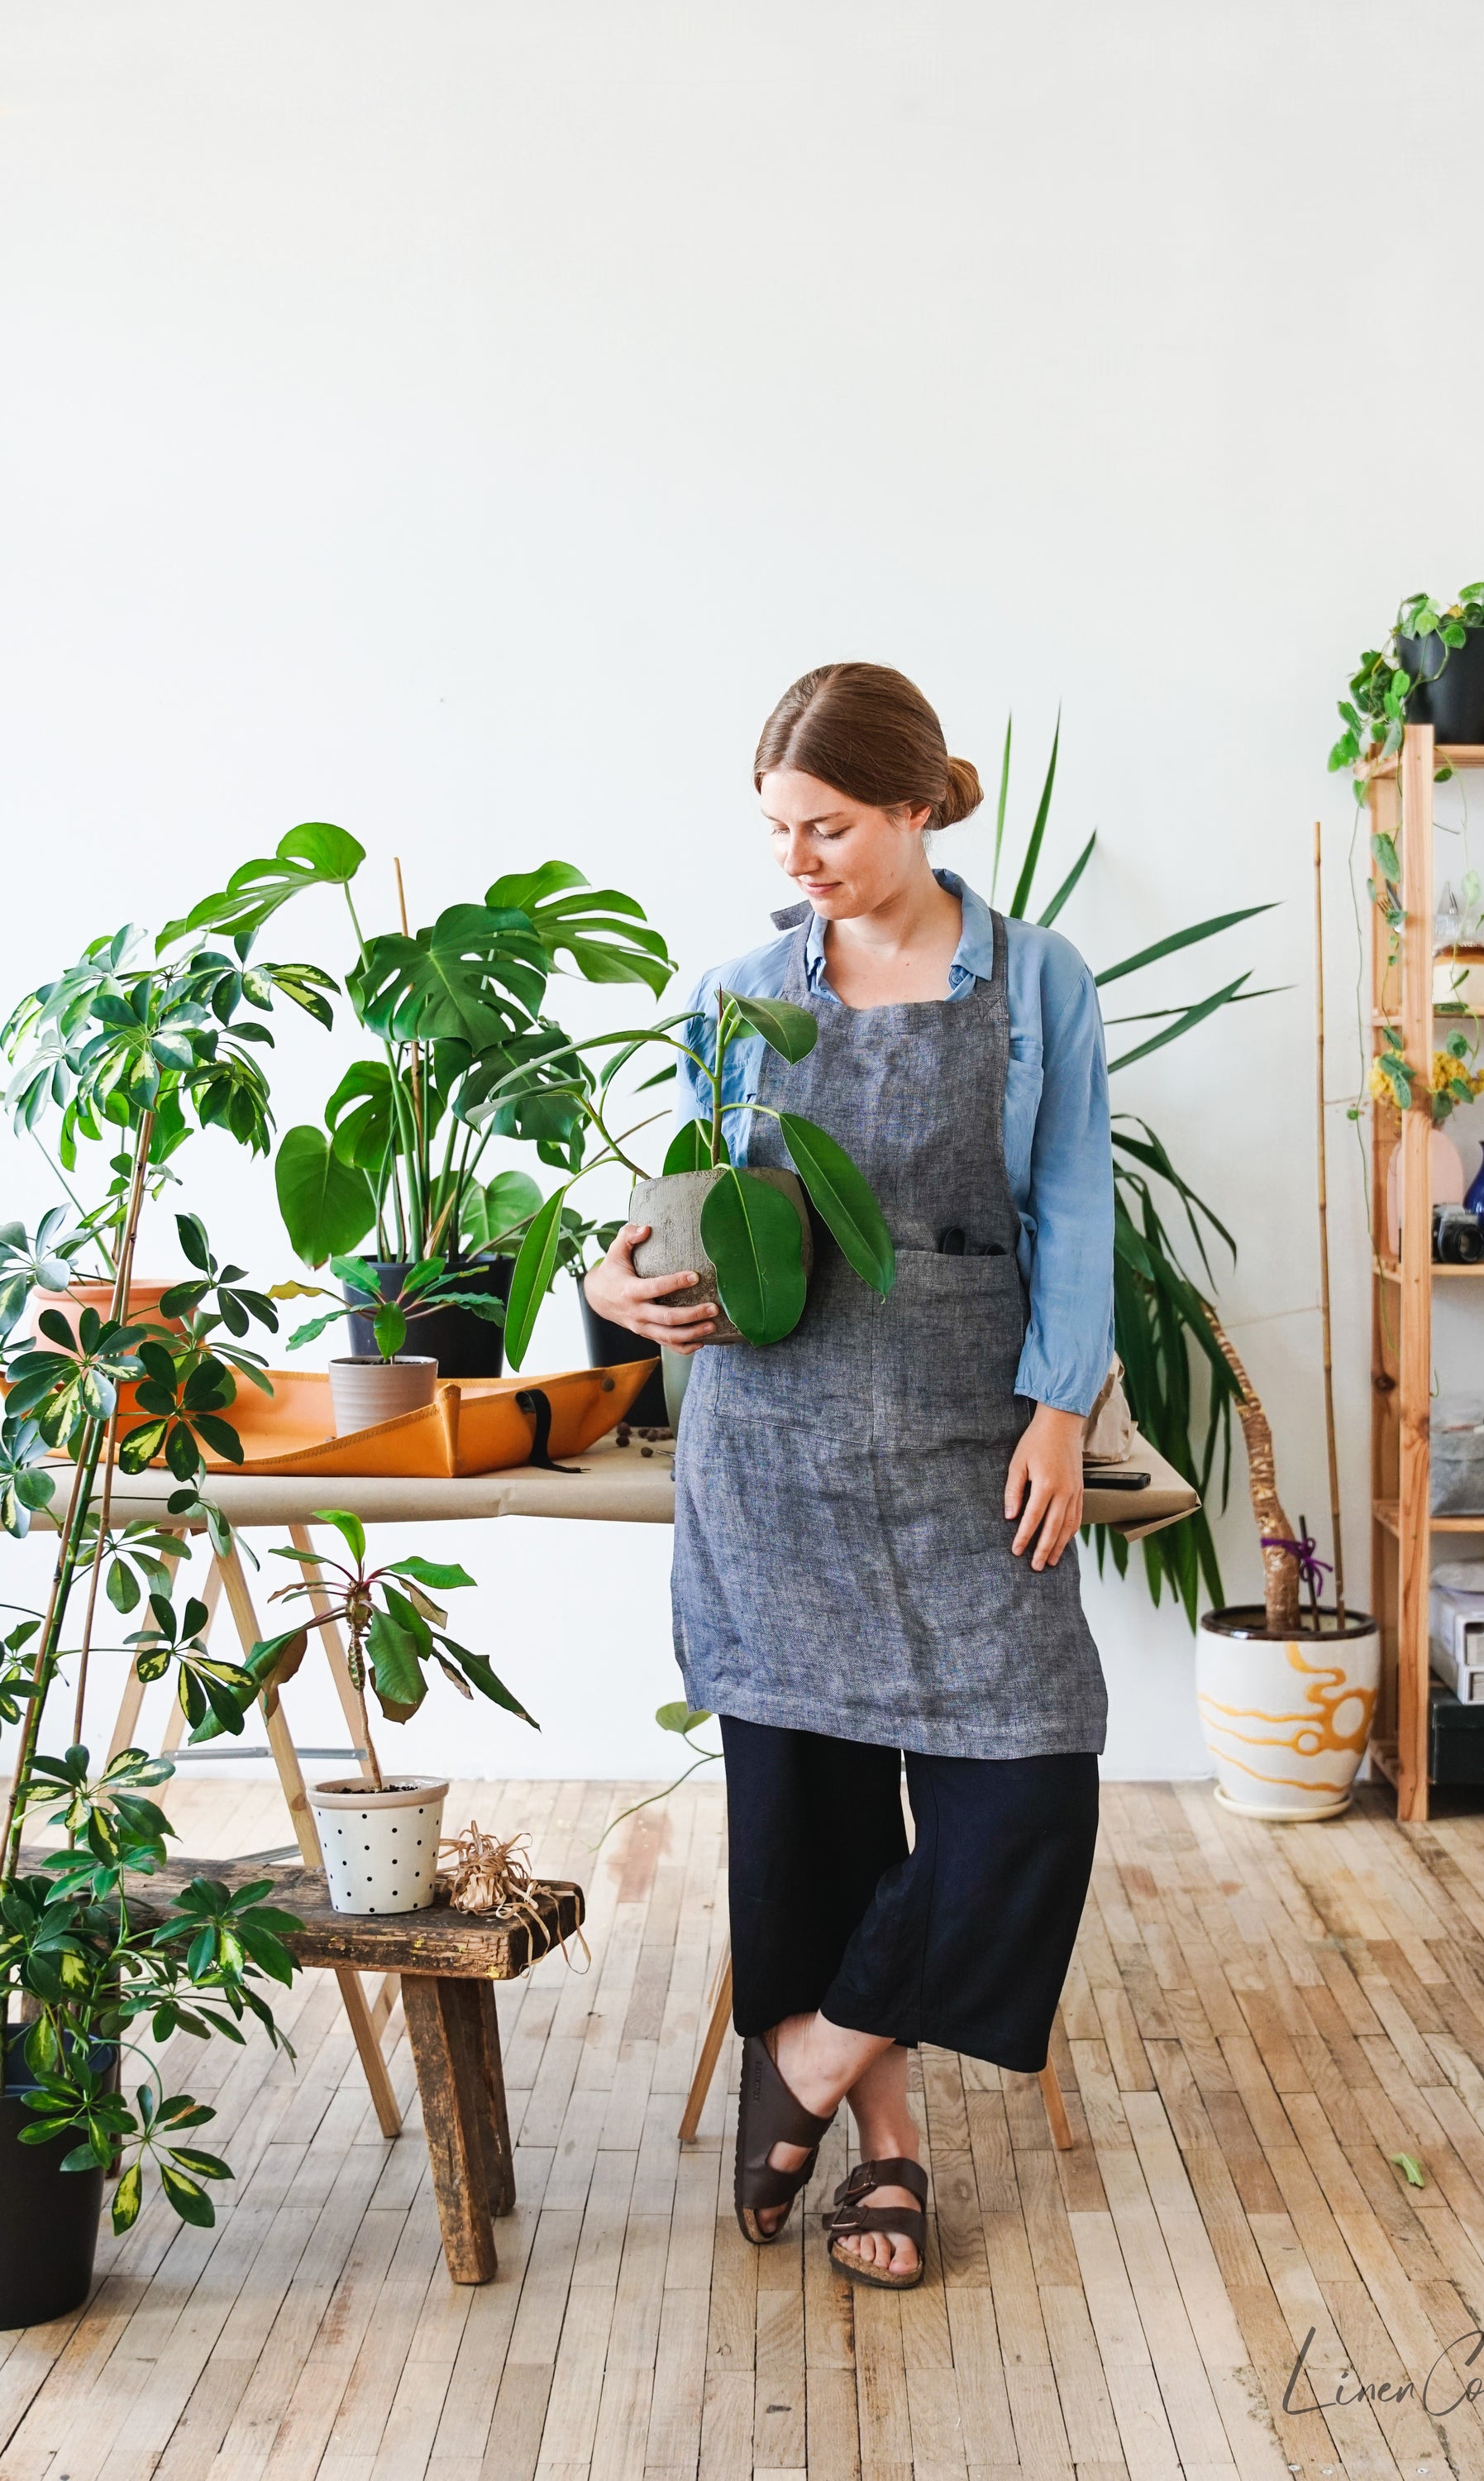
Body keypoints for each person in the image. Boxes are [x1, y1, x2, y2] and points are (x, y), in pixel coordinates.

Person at [582, 662, 1112, 2290]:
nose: (794, 859)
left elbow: (1076, 1210)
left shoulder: (1036, 982)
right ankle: (888, 2153)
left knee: (1026, 1778)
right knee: (807, 1812)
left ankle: (800, 2058)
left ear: (911, 807)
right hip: (778, 1434)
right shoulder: (737, 988)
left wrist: (1058, 1411)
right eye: (775, 830)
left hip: (972, 1428)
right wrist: (615, 1291)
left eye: (822, 827)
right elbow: (673, 1209)